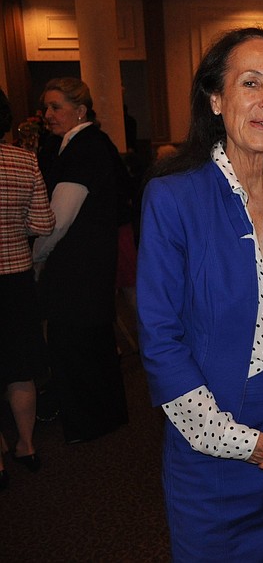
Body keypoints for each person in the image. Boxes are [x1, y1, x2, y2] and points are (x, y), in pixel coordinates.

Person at [136, 27, 263, 562]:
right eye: (250, 83)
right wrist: (234, 440)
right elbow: (159, 337)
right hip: (209, 437)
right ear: (216, 98)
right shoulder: (171, 197)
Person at [32, 77, 129, 444]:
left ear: (80, 111)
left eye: (56, 107)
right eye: (46, 108)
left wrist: (35, 254)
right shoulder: (84, 144)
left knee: (75, 346)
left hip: (78, 269)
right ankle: (102, 418)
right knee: (93, 344)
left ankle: (89, 423)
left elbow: (58, 219)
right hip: (89, 265)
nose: (48, 115)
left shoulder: (83, 148)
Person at [0, 87, 55, 489]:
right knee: (20, 369)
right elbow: (43, 224)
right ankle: (26, 444)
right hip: (16, 280)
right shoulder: (24, 161)